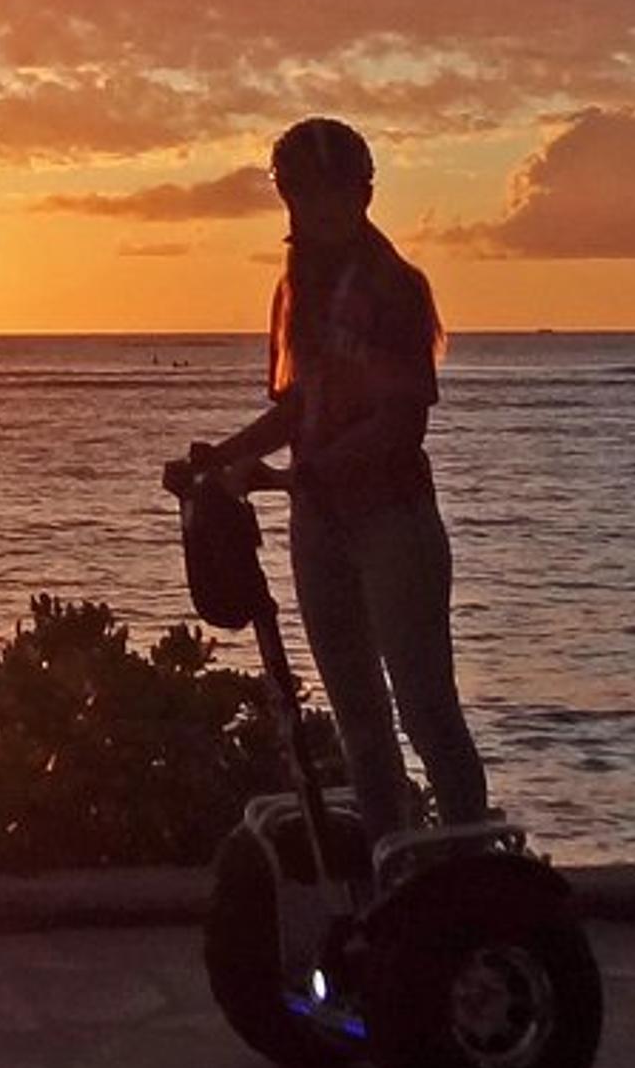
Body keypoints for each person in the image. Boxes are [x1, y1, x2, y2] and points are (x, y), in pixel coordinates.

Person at [180, 116, 487, 846]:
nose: (319, 213)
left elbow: (400, 421)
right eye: (303, 197)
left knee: (424, 706)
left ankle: (471, 856)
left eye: (334, 196)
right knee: (358, 720)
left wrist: (291, 475)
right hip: (319, 528)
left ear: (365, 195)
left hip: (393, 523)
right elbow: (297, 408)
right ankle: (391, 861)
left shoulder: (395, 289)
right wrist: (219, 458)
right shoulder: (296, 294)